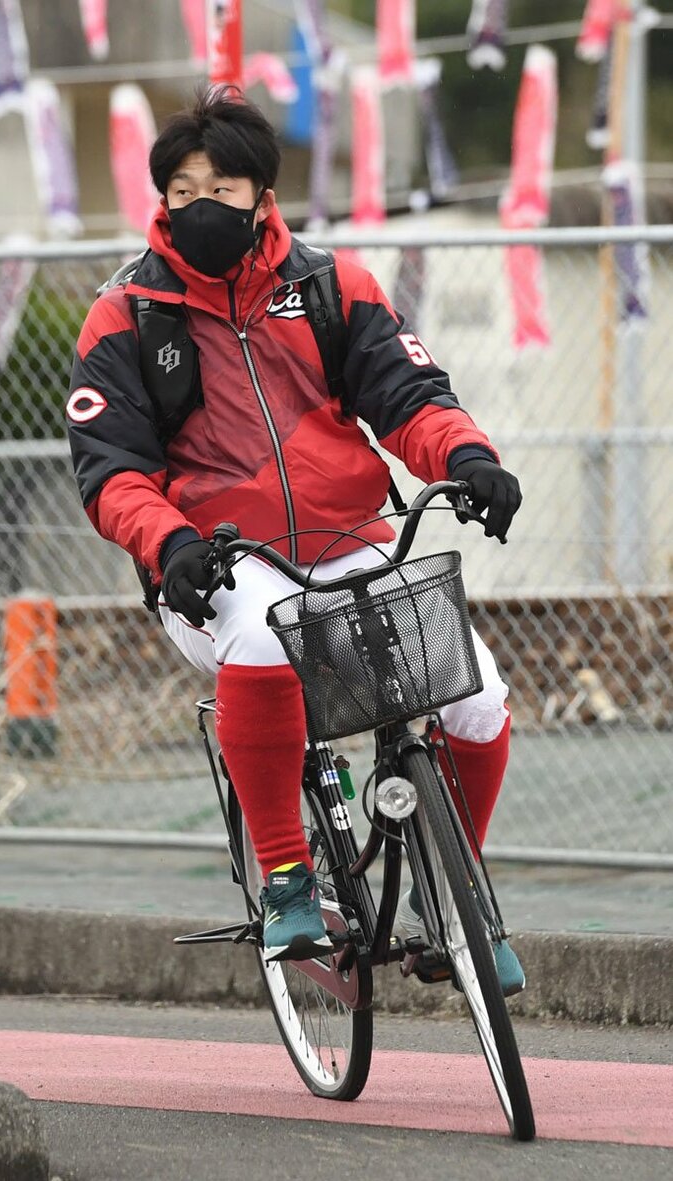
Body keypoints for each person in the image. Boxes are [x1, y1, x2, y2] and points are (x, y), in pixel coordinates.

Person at [66, 86, 524, 991]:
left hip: (353, 537)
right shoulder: (124, 316)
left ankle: (453, 897)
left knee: (478, 698)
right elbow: (111, 470)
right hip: (216, 563)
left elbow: (411, 399)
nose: (201, 206)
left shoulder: (330, 286)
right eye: (183, 191)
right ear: (162, 200)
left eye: (222, 189)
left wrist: (469, 459)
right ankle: (286, 875)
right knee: (264, 636)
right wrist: (171, 544)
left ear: (263, 198)